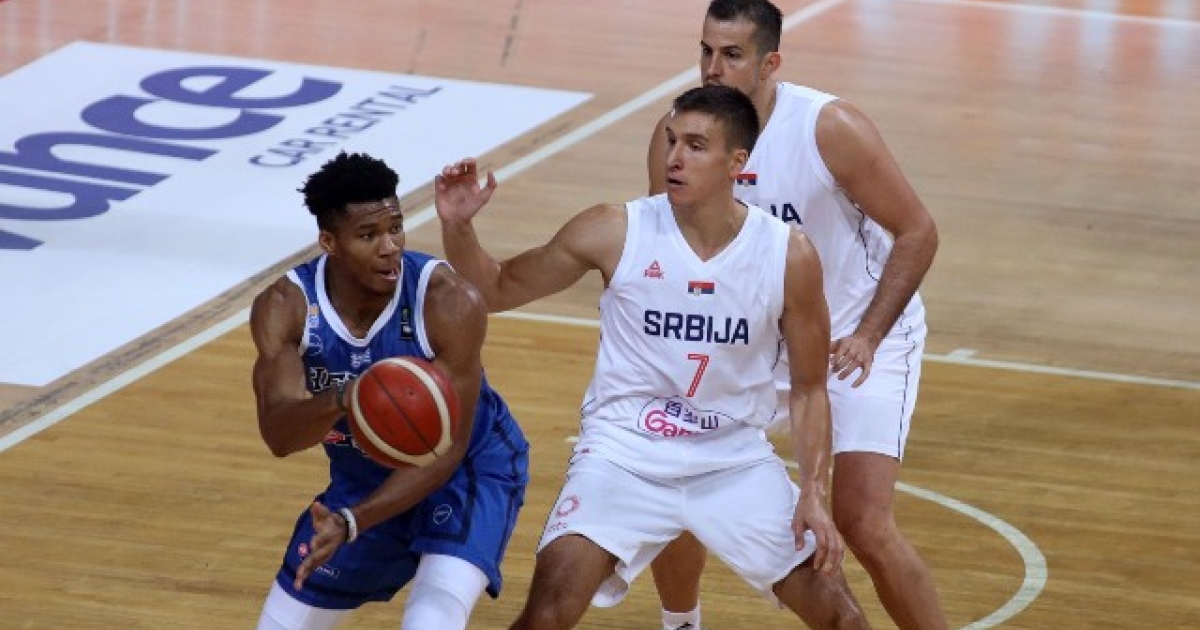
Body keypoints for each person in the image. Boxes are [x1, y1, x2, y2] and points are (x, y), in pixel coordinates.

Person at [436, 85, 871, 630]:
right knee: (545, 614)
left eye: (695, 145)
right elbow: (495, 288)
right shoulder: (613, 230)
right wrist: (458, 226)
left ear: (736, 162)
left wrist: (813, 493)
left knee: (843, 618)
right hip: (623, 452)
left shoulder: (788, 255)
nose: (674, 157)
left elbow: (808, 389)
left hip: (733, 459)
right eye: (671, 140)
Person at [645, 2, 944, 630]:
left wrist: (868, 335)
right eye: (706, 50)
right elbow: (669, 254)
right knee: (675, 481)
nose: (712, 68)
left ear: (769, 63)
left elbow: (918, 231)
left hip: (854, 342)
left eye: (732, 54)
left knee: (863, 522)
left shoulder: (828, 128)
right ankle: (681, 624)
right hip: (754, 345)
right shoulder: (679, 136)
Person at [248, 151, 530, 630]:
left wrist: (353, 520)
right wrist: (345, 397)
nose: (390, 247)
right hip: (364, 475)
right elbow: (280, 437)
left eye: (396, 228)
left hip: (468, 469)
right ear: (329, 242)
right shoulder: (286, 307)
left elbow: (446, 450)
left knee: (429, 620)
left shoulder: (448, 300)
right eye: (368, 235)